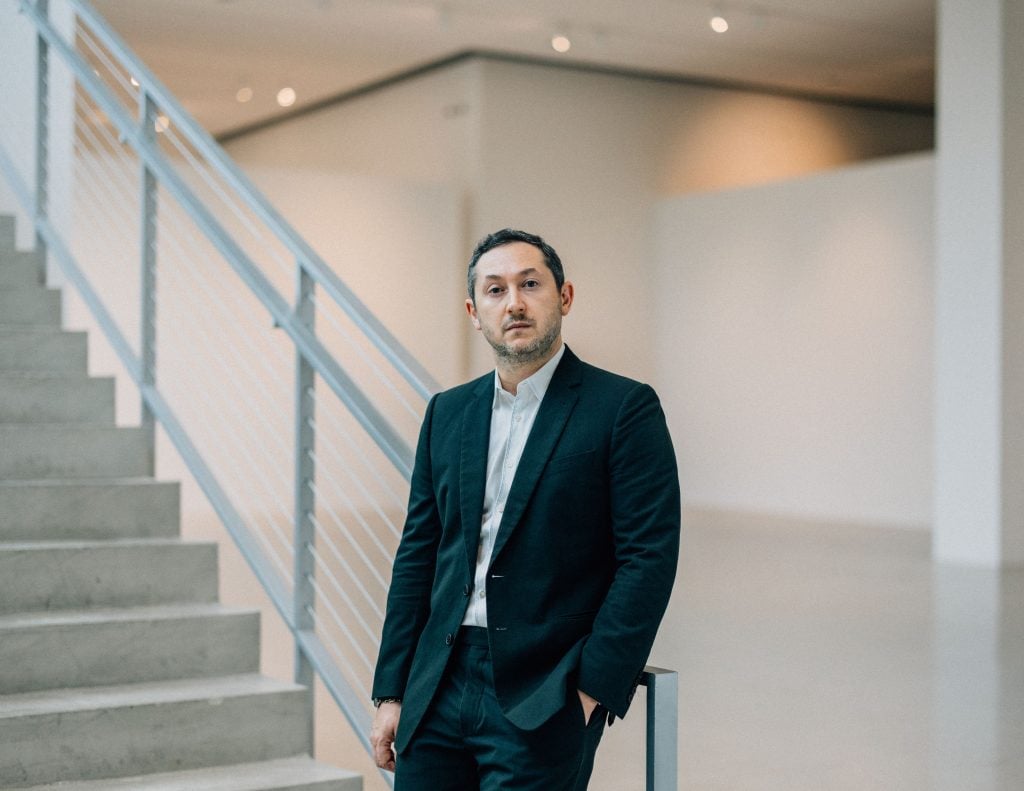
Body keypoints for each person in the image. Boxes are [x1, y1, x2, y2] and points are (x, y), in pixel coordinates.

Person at [370, 228, 680, 790]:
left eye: (529, 284)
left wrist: (591, 691)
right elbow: (418, 553)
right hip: (436, 682)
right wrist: (393, 690)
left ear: (563, 297)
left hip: (545, 691)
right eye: (495, 290)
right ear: (474, 311)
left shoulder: (622, 409)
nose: (513, 302)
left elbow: (648, 557)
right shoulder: (448, 412)